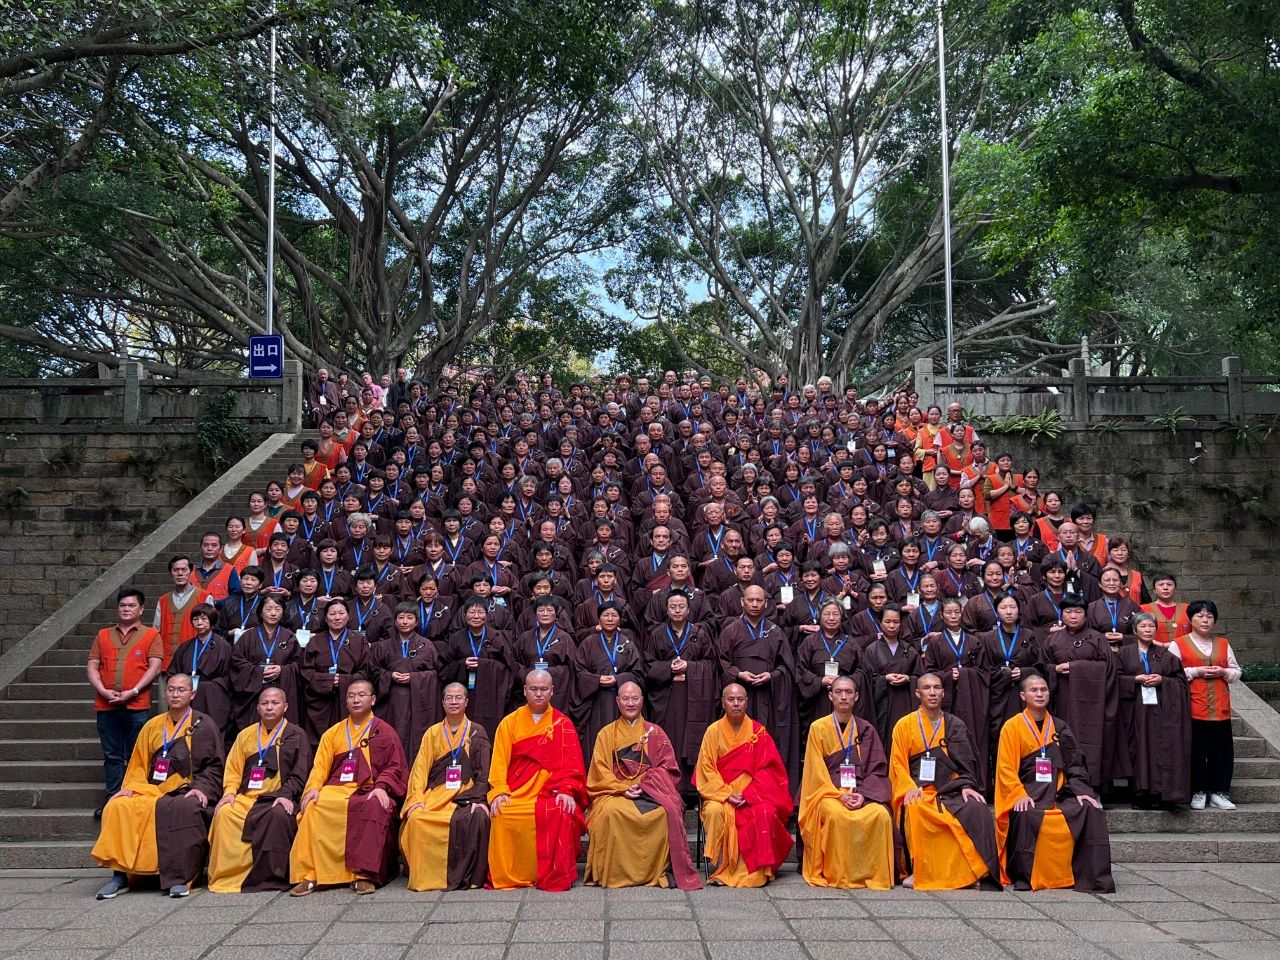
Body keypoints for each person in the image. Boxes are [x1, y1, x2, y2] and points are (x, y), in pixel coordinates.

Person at [92, 674, 225, 899]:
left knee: (183, 809)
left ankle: (180, 877)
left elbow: (215, 766)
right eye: (171, 690)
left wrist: (202, 788)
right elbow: (137, 764)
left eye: (181, 690)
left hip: (186, 789)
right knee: (118, 806)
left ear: (192, 694)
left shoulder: (204, 725)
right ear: (165, 693)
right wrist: (131, 787)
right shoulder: (153, 726)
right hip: (152, 789)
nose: (175, 694)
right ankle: (120, 875)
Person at [994, 674, 1115, 893]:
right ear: (1023, 696)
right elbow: (1005, 769)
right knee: (1027, 814)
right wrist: (1018, 794)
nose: (1039, 694)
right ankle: (1028, 875)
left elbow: (1075, 763)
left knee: (1088, 809)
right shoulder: (1011, 727)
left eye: (1043, 690)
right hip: (1028, 794)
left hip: (1058, 793)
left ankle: (1084, 875)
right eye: (1034, 690)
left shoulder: (1059, 727)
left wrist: (1081, 790)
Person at [289, 680, 409, 895]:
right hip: (336, 789)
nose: (356, 699)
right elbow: (320, 767)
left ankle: (363, 874)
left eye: (361, 695)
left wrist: (382, 787)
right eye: (351, 695)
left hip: (369, 789)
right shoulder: (333, 733)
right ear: (345, 701)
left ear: (372, 700)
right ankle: (311, 875)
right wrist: (313, 788)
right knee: (314, 807)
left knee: (374, 806)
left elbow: (395, 767)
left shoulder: (384, 731)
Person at [585, 681, 702, 890]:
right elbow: (599, 770)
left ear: (642, 701)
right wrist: (622, 788)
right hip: (615, 792)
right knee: (610, 813)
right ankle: (614, 874)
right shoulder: (606, 734)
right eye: (626, 699)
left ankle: (655, 871)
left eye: (635, 698)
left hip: (650, 793)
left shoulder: (655, 732)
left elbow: (670, 768)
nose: (630, 703)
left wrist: (647, 785)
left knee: (663, 814)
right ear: (617, 702)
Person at [889, 673, 1000, 890]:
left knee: (976, 808)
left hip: (951, 788)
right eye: (927, 688)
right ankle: (920, 871)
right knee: (915, 808)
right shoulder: (905, 725)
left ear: (943, 692)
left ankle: (970, 871)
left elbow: (967, 762)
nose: (932, 692)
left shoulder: (955, 724)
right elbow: (897, 764)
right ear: (917, 693)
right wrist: (909, 788)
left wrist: (968, 785)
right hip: (919, 788)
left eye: (937, 688)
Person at [487, 669, 588, 891]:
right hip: (517, 793)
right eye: (533, 689)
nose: (539, 694)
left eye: (544, 689)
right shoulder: (509, 723)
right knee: (502, 814)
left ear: (552, 691)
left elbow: (573, 766)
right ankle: (511, 875)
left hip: (550, 792)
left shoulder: (563, 724)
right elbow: (499, 762)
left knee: (561, 811)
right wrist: (500, 792)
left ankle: (554, 874)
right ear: (524, 691)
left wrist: (567, 790)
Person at [207, 686, 312, 892]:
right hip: (248, 798)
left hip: (279, 797)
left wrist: (286, 794)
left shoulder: (296, 735)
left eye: (275, 703)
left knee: (279, 815)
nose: (270, 707)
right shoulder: (245, 735)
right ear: (257, 708)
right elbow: (233, 769)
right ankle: (230, 877)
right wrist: (229, 792)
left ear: (285, 707)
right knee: (225, 813)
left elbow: (301, 772)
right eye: (265, 703)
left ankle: (271, 877)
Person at [798, 675, 894, 889]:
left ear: (856, 697)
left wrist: (863, 795)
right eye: (839, 692)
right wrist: (839, 795)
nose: (843, 696)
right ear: (830, 696)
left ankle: (871, 874)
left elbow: (877, 768)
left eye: (848, 692)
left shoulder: (866, 728)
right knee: (835, 815)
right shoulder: (818, 728)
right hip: (829, 793)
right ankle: (839, 874)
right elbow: (815, 771)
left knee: (880, 815)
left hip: (860, 792)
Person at [694, 683, 794, 888]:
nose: (736, 703)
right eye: (731, 699)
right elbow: (706, 769)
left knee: (765, 812)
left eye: (740, 699)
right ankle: (722, 867)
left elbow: (770, 771)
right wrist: (727, 794)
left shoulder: (759, 732)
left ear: (747, 702)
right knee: (714, 811)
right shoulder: (713, 732)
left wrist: (749, 794)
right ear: (723, 703)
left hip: (752, 795)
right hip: (721, 796)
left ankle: (760, 868)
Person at [400, 682, 493, 891]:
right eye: (449, 698)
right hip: (436, 796)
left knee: (476, 818)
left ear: (466, 702)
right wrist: (415, 799)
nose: (453, 701)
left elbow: (483, 772)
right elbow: (420, 770)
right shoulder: (432, 733)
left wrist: (479, 800)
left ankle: (465, 876)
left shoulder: (476, 732)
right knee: (416, 818)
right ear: (442, 702)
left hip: (464, 796)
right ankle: (427, 876)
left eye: (458, 697)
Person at [88, 588, 165, 818]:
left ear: (141, 609)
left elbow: (154, 666)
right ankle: (112, 799)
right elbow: (93, 665)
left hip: (137, 705)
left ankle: (133, 798)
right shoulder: (103, 635)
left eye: (132, 605)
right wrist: (102, 689)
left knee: (136, 754)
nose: (126, 609)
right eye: (123, 605)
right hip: (106, 704)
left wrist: (134, 690)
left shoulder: (151, 635)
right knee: (111, 755)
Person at [1170, 600, 1241, 811]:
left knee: (1221, 752)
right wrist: (1196, 671)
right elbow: (1172, 673)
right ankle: (1198, 791)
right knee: (1196, 752)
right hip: (1193, 707)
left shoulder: (1223, 644)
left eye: (1209, 616)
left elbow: (1236, 672)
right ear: (1190, 619)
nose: (1205, 620)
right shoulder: (1179, 644)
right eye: (1200, 616)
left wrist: (1223, 672)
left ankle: (1220, 792)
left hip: (1220, 707)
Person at [1116, 613, 1192, 810]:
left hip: (1162, 712)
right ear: (1134, 630)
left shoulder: (1167, 656)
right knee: (1140, 749)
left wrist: (1163, 681)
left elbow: (1181, 683)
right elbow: (1114, 679)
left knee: (1164, 750)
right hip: (1135, 711)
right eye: (1143, 626)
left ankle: (1165, 795)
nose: (1147, 630)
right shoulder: (1123, 654)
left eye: (1151, 626)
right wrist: (1135, 679)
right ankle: (1141, 794)